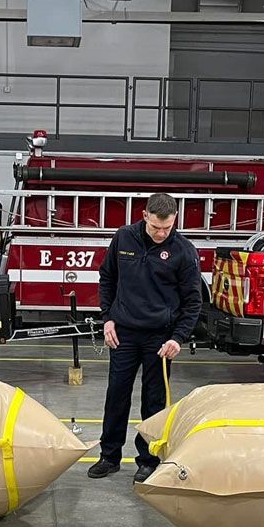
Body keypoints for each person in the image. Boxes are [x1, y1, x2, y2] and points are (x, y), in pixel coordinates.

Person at [87, 193, 203, 483]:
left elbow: (193, 301)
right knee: (116, 396)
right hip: (123, 333)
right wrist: (107, 318)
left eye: (168, 228)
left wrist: (178, 337)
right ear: (145, 216)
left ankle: (148, 460)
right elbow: (107, 278)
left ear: (174, 220)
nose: (162, 234)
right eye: (156, 228)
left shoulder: (184, 250)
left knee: (153, 402)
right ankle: (109, 457)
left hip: (160, 339)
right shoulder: (124, 238)